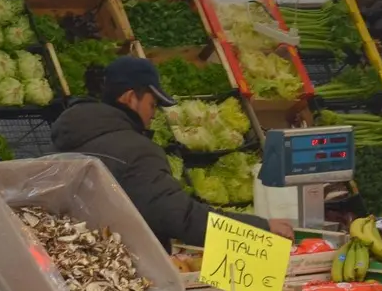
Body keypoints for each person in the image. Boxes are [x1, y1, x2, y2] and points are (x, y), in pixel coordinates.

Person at [50, 57, 293, 247]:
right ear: (130, 98)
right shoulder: (136, 151)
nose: (153, 114)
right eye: (152, 104)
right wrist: (260, 229)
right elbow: (180, 217)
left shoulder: (73, 139)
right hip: (125, 275)